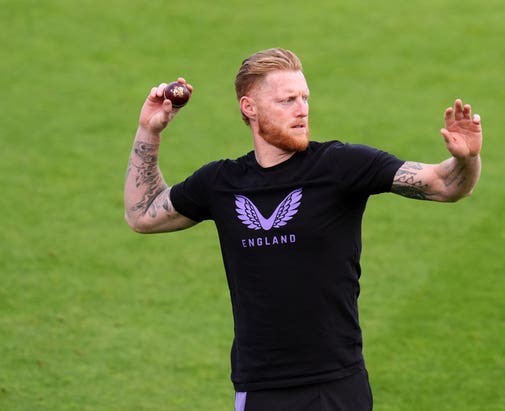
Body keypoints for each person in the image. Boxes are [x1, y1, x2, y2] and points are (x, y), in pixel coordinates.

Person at [124, 48, 482, 411]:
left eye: (305, 97)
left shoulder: (339, 166)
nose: (302, 108)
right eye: (288, 100)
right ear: (250, 107)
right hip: (261, 387)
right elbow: (142, 213)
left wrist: (465, 159)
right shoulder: (221, 182)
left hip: (337, 385)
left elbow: (446, 186)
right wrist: (149, 130)